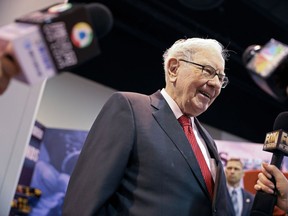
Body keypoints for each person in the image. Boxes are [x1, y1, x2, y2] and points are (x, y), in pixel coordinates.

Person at [62, 37, 234, 216]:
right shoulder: (130, 109)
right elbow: (84, 201)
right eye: (208, 71)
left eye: (221, 78)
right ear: (174, 69)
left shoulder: (207, 142)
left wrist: (264, 197)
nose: (215, 83)